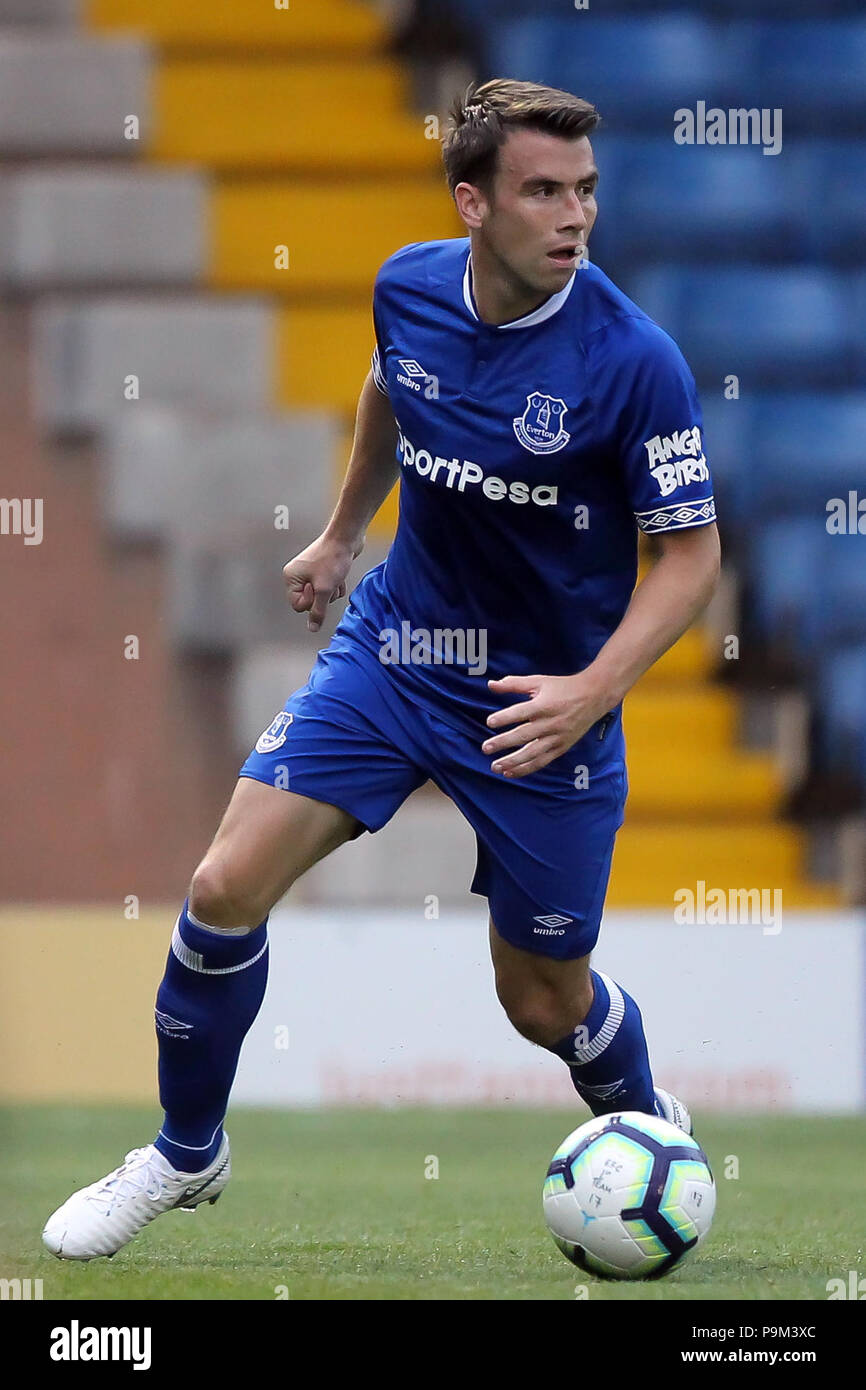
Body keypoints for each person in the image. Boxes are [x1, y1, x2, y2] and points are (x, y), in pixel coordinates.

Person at [43, 78, 720, 1261]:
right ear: (472, 202)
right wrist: (343, 531)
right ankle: (184, 1152)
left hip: (540, 706)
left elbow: (689, 557)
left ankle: (644, 1131)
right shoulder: (406, 287)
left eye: (585, 192)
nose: (574, 218)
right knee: (218, 890)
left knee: (541, 1000)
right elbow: (390, 392)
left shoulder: (631, 360)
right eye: (543, 191)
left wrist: (592, 691)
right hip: (401, 650)